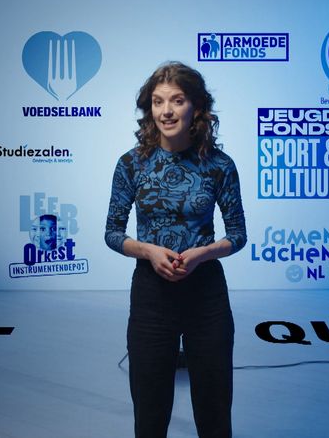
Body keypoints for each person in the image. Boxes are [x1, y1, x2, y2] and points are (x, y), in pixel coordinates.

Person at [105, 61, 246, 438]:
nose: (166, 111)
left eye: (177, 100)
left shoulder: (220, 166)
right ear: (149, 109)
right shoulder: (131, 164)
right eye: (158, 102)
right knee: (149, 415)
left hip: (207, 296)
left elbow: (237, 235)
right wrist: (148, 252)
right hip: (151, 296)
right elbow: (113, 233)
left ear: (196, 107)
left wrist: (202, 254)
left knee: (215, 414)